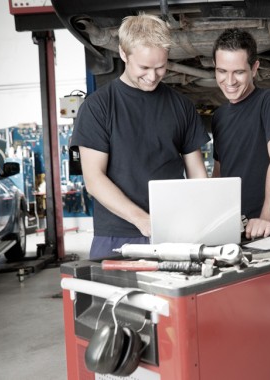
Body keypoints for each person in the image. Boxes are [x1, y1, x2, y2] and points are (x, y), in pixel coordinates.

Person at [72, 14, 210, 259]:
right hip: (118, 235)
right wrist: (143, 221)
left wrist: (201, 220)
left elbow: (197, 173)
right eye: (144, 67)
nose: (153, 75)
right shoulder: (98, 107)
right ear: (123, 54)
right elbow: (93, 179)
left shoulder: (181, 106)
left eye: (160, 67)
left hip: (174, 234)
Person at [211, 28, 270, 240]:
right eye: (222, 71)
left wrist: (267, 218)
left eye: (238, 72)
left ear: (254, 69)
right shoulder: (219, 116)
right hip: (234, 230)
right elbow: (220, 171)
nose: (229, 81)